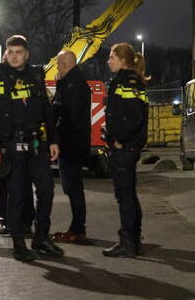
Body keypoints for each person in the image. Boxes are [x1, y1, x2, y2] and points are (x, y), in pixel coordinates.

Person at [0, 35, 64, 262]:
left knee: (47, 190)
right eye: (11, 52)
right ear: (5, 54)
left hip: (38, 144)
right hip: (11, 146)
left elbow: (47, 113)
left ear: (26, 54)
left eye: (19, 52)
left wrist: (54, 140)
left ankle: (41, 238)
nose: (15, 56)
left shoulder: (36, 77)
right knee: (16, 196)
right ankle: (19, 244)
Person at [102, 43, 149, 258]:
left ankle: (128, 243)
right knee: (128, 194)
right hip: (128, 146)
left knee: (125, 196)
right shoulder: (129, 80)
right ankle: (132, 239)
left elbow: (132, 116)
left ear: (122, 60)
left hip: (125, 147)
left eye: (112, 57)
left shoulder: (127, 82)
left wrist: (119, 140)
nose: (109, 60)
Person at [50, 50, 91, 244]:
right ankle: (76, 228)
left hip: (71, 144)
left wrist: (55, 137)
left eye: (59, 64)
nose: (57, 68)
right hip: (73, 143)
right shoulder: (71, 83)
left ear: (65, 64)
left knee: (73, 188)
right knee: (73, 188)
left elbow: (65, 114)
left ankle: (78, 229)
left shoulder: (72, 85)